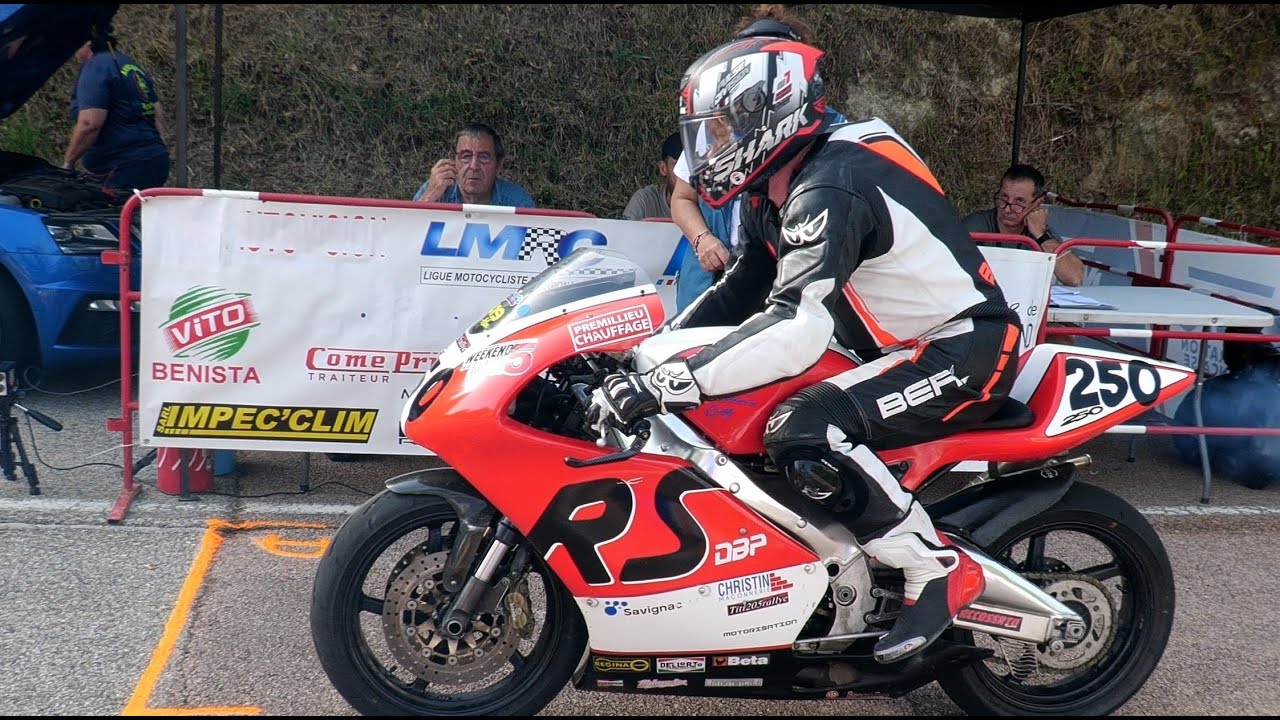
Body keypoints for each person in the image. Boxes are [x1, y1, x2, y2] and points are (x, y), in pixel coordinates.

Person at [588, 36, 1022, 666]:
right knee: (740, 414)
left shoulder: (831, 187)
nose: (707, 149)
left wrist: (668, 383)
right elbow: (744, 285)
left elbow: (796, 326)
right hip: (883, 346)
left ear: (770, 117)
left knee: (802, 427)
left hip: (961, 347)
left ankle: (936, 569)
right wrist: (648, 357)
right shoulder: (783, 180)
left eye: (718, 130)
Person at [670, 5, 846, 311]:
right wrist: (703, 239)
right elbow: (682, 196)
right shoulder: (711, 125)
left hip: (785, 283)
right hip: (711, 280)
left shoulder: (827, 129)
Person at [62, 22, 170, 190]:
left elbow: (90, 124)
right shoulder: (130, 65)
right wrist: (158, 145)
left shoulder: (95, 67)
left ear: (88, 44)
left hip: (122, 167)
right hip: (155, 159)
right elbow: (156, 110)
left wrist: (68, 163)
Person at [962, 164, 1085, 286]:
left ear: (1037, 203)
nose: (1007, 209)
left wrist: (1041, 235)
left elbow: (1074, 278)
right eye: (1003, 197)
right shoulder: (976, 225)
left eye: (1019, 202)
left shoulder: (1041, 233)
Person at [413, 122, 535, 208]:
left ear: (498, 166)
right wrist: (427, 200)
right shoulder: (435, 189)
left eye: (484, 157)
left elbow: (535, 244)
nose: (474, 166)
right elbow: (407, 238)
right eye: (466, 156)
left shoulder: (519, 202)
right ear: (453, 161)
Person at [622, 132, 681, 221]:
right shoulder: (645, 201)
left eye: (691, 167)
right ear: (663, 168)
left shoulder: (706, 205)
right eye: (678, 166)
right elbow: (624, 233)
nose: (685, 174)